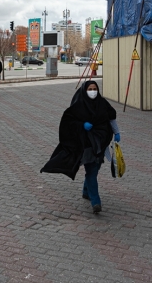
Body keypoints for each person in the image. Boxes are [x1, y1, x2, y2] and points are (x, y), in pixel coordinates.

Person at [40, 80, 120, 214]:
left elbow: (111, 118)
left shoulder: (102, 103)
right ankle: (96, 202)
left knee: (95, 168)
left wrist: (117, 133)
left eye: (95, 89)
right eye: (90, 89)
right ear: (84, 90)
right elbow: (68, 122)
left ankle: (86, 191)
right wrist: (82, 125)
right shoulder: (78, 105)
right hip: (86, 144)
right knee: (92, 170)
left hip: (100, 143)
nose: (93, 91)